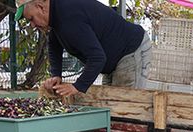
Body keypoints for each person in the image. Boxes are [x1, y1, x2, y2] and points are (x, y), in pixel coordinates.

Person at [15, 0, 152, 97]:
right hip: (113, 60)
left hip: (131, 52)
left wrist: (77, 86)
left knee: (126, 105)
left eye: (31, 18)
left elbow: (97, 58)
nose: (32, 25)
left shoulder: (69, 16)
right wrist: (56, 74)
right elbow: (54, 46)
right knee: (109, 104)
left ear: (40, 7)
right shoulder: (57, 14)